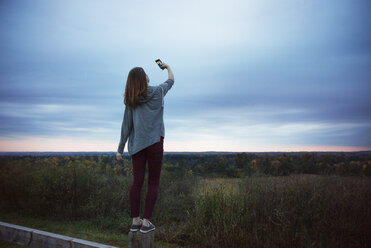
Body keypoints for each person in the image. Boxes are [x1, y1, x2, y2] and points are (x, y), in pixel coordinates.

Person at [116, 62, 174, 234]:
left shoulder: (131, 100)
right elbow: (171, 81)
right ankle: (146, 223)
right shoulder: (157, 91)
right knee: (153, 182)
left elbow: (126, 125)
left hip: (137, 146)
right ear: (143, 79)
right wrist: (167, 67)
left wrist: (120, 148)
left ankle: (135, 222)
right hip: (155, 143)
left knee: (137, 183)